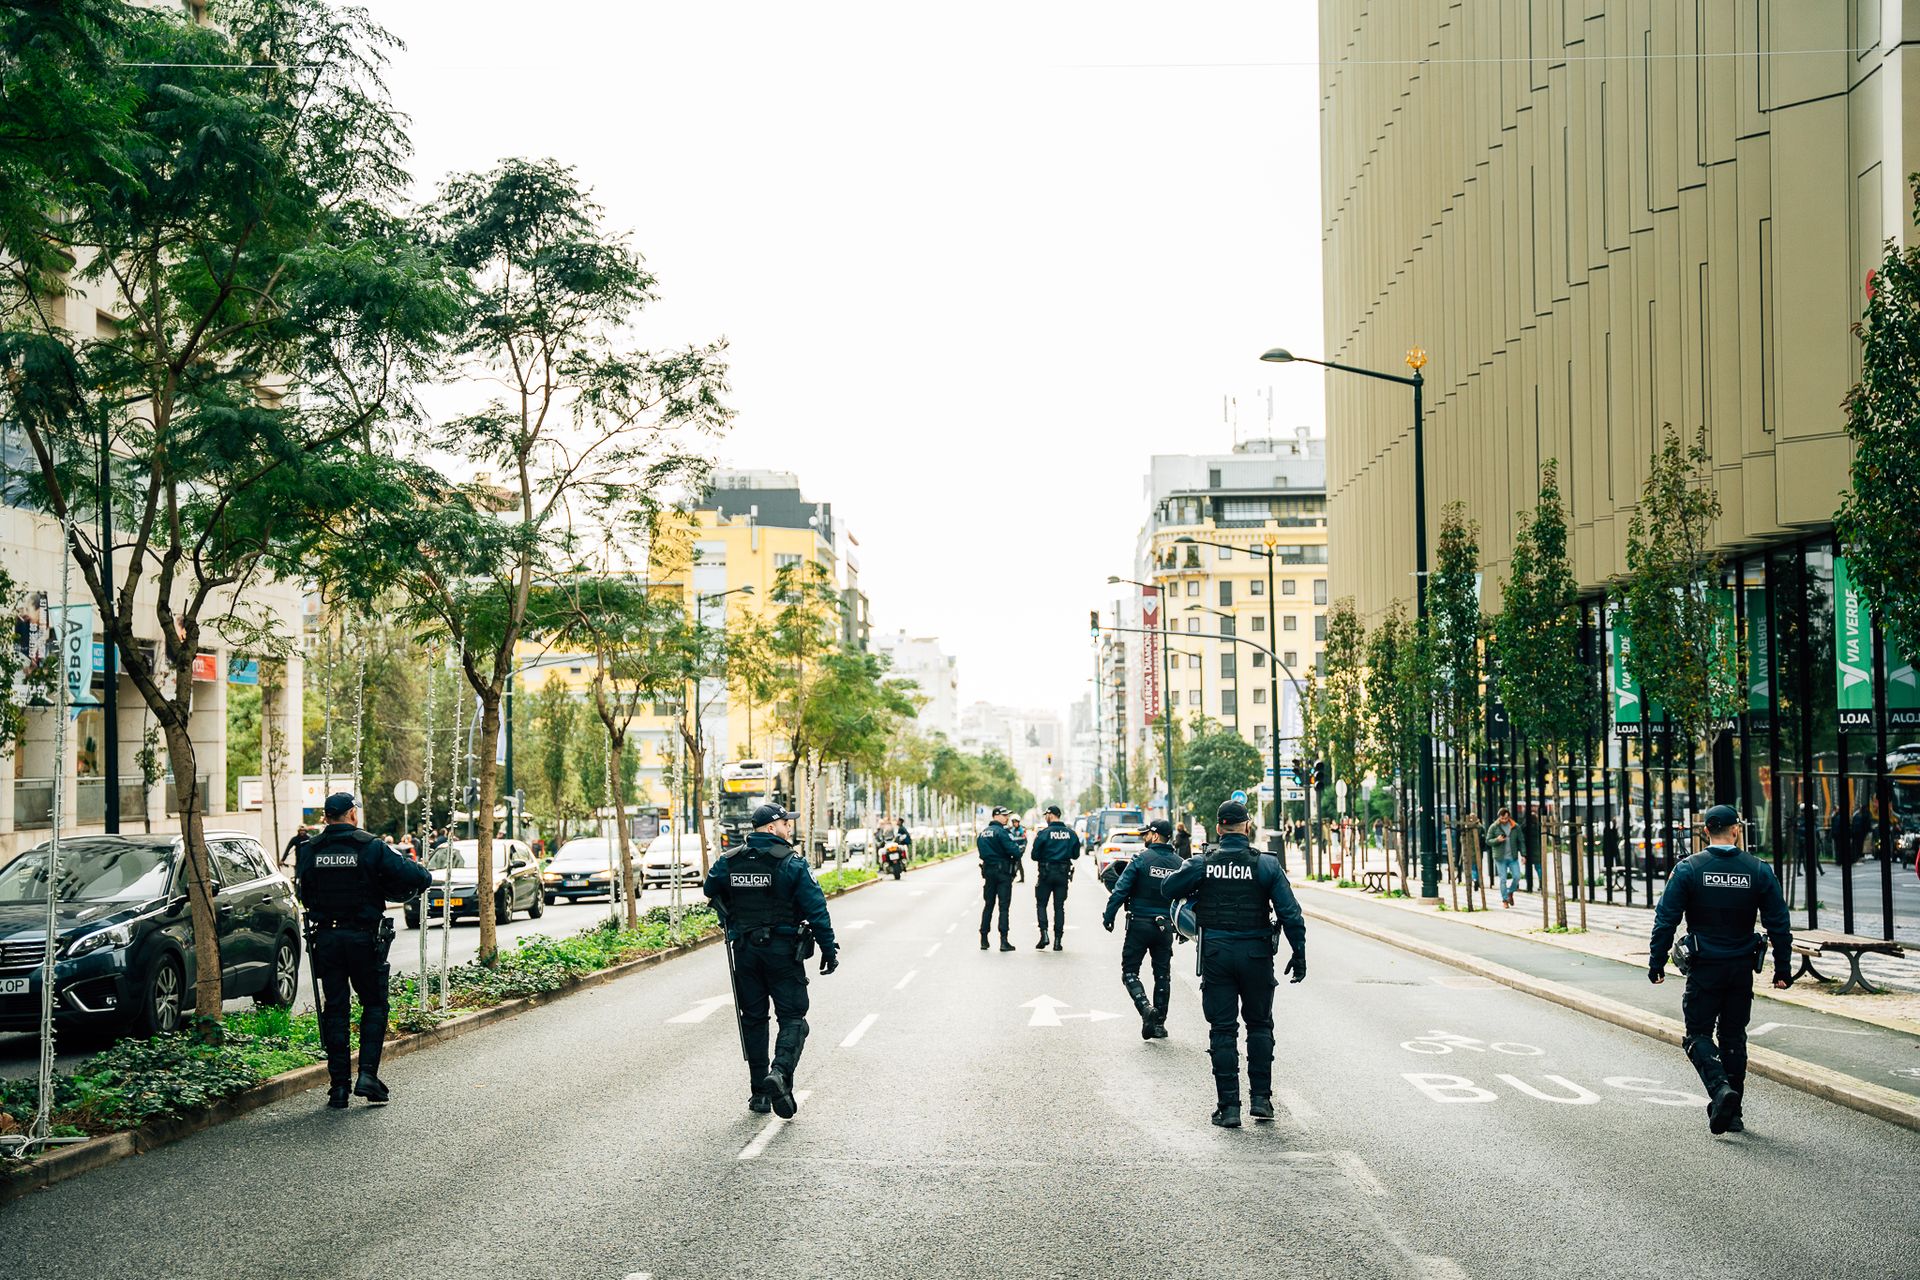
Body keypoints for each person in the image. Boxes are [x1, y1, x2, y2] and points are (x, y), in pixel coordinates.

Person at [1648, 803, 1793, 1135]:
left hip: (1704, 968)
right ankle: (1734, 1112)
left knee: (1698, 1034)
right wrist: (1782, 969)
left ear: (1705, 832)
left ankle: (1720, 1091)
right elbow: (1779, 923)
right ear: (1736, 830)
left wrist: (1657, 962)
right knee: (1733, 1037)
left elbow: (1666, 920)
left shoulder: (1688, 869)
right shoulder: (1757, 870)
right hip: (1741, 967)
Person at [1162, 800, 1306, 1128]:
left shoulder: (1202, 862)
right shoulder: (1266, 865)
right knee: (1259, 1024)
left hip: (1216, 955)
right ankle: (1262, 1101)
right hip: (1256, 954)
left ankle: (1228, 1108)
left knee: (1223, 1029)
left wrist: (1196, 880)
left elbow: (1167, 888)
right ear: (1247, 826)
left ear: (1218, 828)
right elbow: (1290, 913)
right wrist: (1298, 953)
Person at [295, 793, 432, 1109]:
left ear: (327, 817)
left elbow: (305, 892)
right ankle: (367, 1075)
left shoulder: (310, 849)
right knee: (374, 1004)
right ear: (352, 815)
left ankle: (338, 1088)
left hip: (326, 940)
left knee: (336, 1009)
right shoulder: (371, 846)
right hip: (363, 939)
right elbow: (416, 877)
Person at [703, 803, 839, 1118]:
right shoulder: (792, 863)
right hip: (782, 952)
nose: (788, 829)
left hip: (746, 952)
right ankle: (779, 1074)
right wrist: (829, 950)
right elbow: (817, 909)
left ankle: (759, 1095)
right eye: (785, 824)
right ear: (770, 827)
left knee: (753, 1019)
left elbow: (711, 889)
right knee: (793, 1018)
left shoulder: (729, 861)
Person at [1102, 818, 1183, 1040]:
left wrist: (1109, 916)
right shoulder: (1179, 863)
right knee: (1162, 974)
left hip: (1139, 924)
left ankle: (1146, 1008)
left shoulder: (1140, 859)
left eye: (1146, 833)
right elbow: (1187, 897)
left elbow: (1120, 889)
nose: (1144, 837)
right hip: (1165, 927)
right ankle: (1159, 1025)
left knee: (1129, 971)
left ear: (1155, 836)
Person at [1028, 804, 1083, 950]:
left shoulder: (1044, 833)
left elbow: (1034, 856)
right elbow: (1076, 855)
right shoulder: (1071, 834)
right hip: (1063, 874)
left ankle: (1044, 935)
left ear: (1051, 815)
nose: (1045, 817)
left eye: (1046, 815)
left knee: (1041, 904)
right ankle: (1058, 941)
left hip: (1046, 874)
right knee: (1059, 907)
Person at [976, 806, 1022, 951]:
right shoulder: (1002, 833)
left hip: (988, 872)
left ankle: (984, 939)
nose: (1007, 818)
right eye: (1004, 815)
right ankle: (1003, 941)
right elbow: (1015, 851)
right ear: (996, 816)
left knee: (988, 906)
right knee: (1003, 907)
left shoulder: (983, 833)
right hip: (1002, 873)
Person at [1488, 807, 1521, 906]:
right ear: (1499, 817)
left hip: (1512, 857)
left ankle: (1510, 892)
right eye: (1502, 818)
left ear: (1509, 817)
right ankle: (1505, 900)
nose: (1504, 820)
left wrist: (1523, 854)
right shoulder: (1494, 827)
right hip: (1500, 857)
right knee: (1503, 879)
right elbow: (1488, 841)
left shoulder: (1515, 826)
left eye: (1506, 818)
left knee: (1517, 876)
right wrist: (1497, 840)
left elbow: (1521, 841)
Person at [1008, 816, 1028, 882]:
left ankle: (1013, 876)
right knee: (1018, 863)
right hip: (1014, 849)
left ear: (1018, 822)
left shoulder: (1022, 829)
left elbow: (1025, 840)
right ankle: (1022, 878)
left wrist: (1023, 848)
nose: (1014, 823)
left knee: (1017, 862)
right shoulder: (1011, 829)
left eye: (1016, 822)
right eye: (1013, 822)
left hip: (1020, 849)